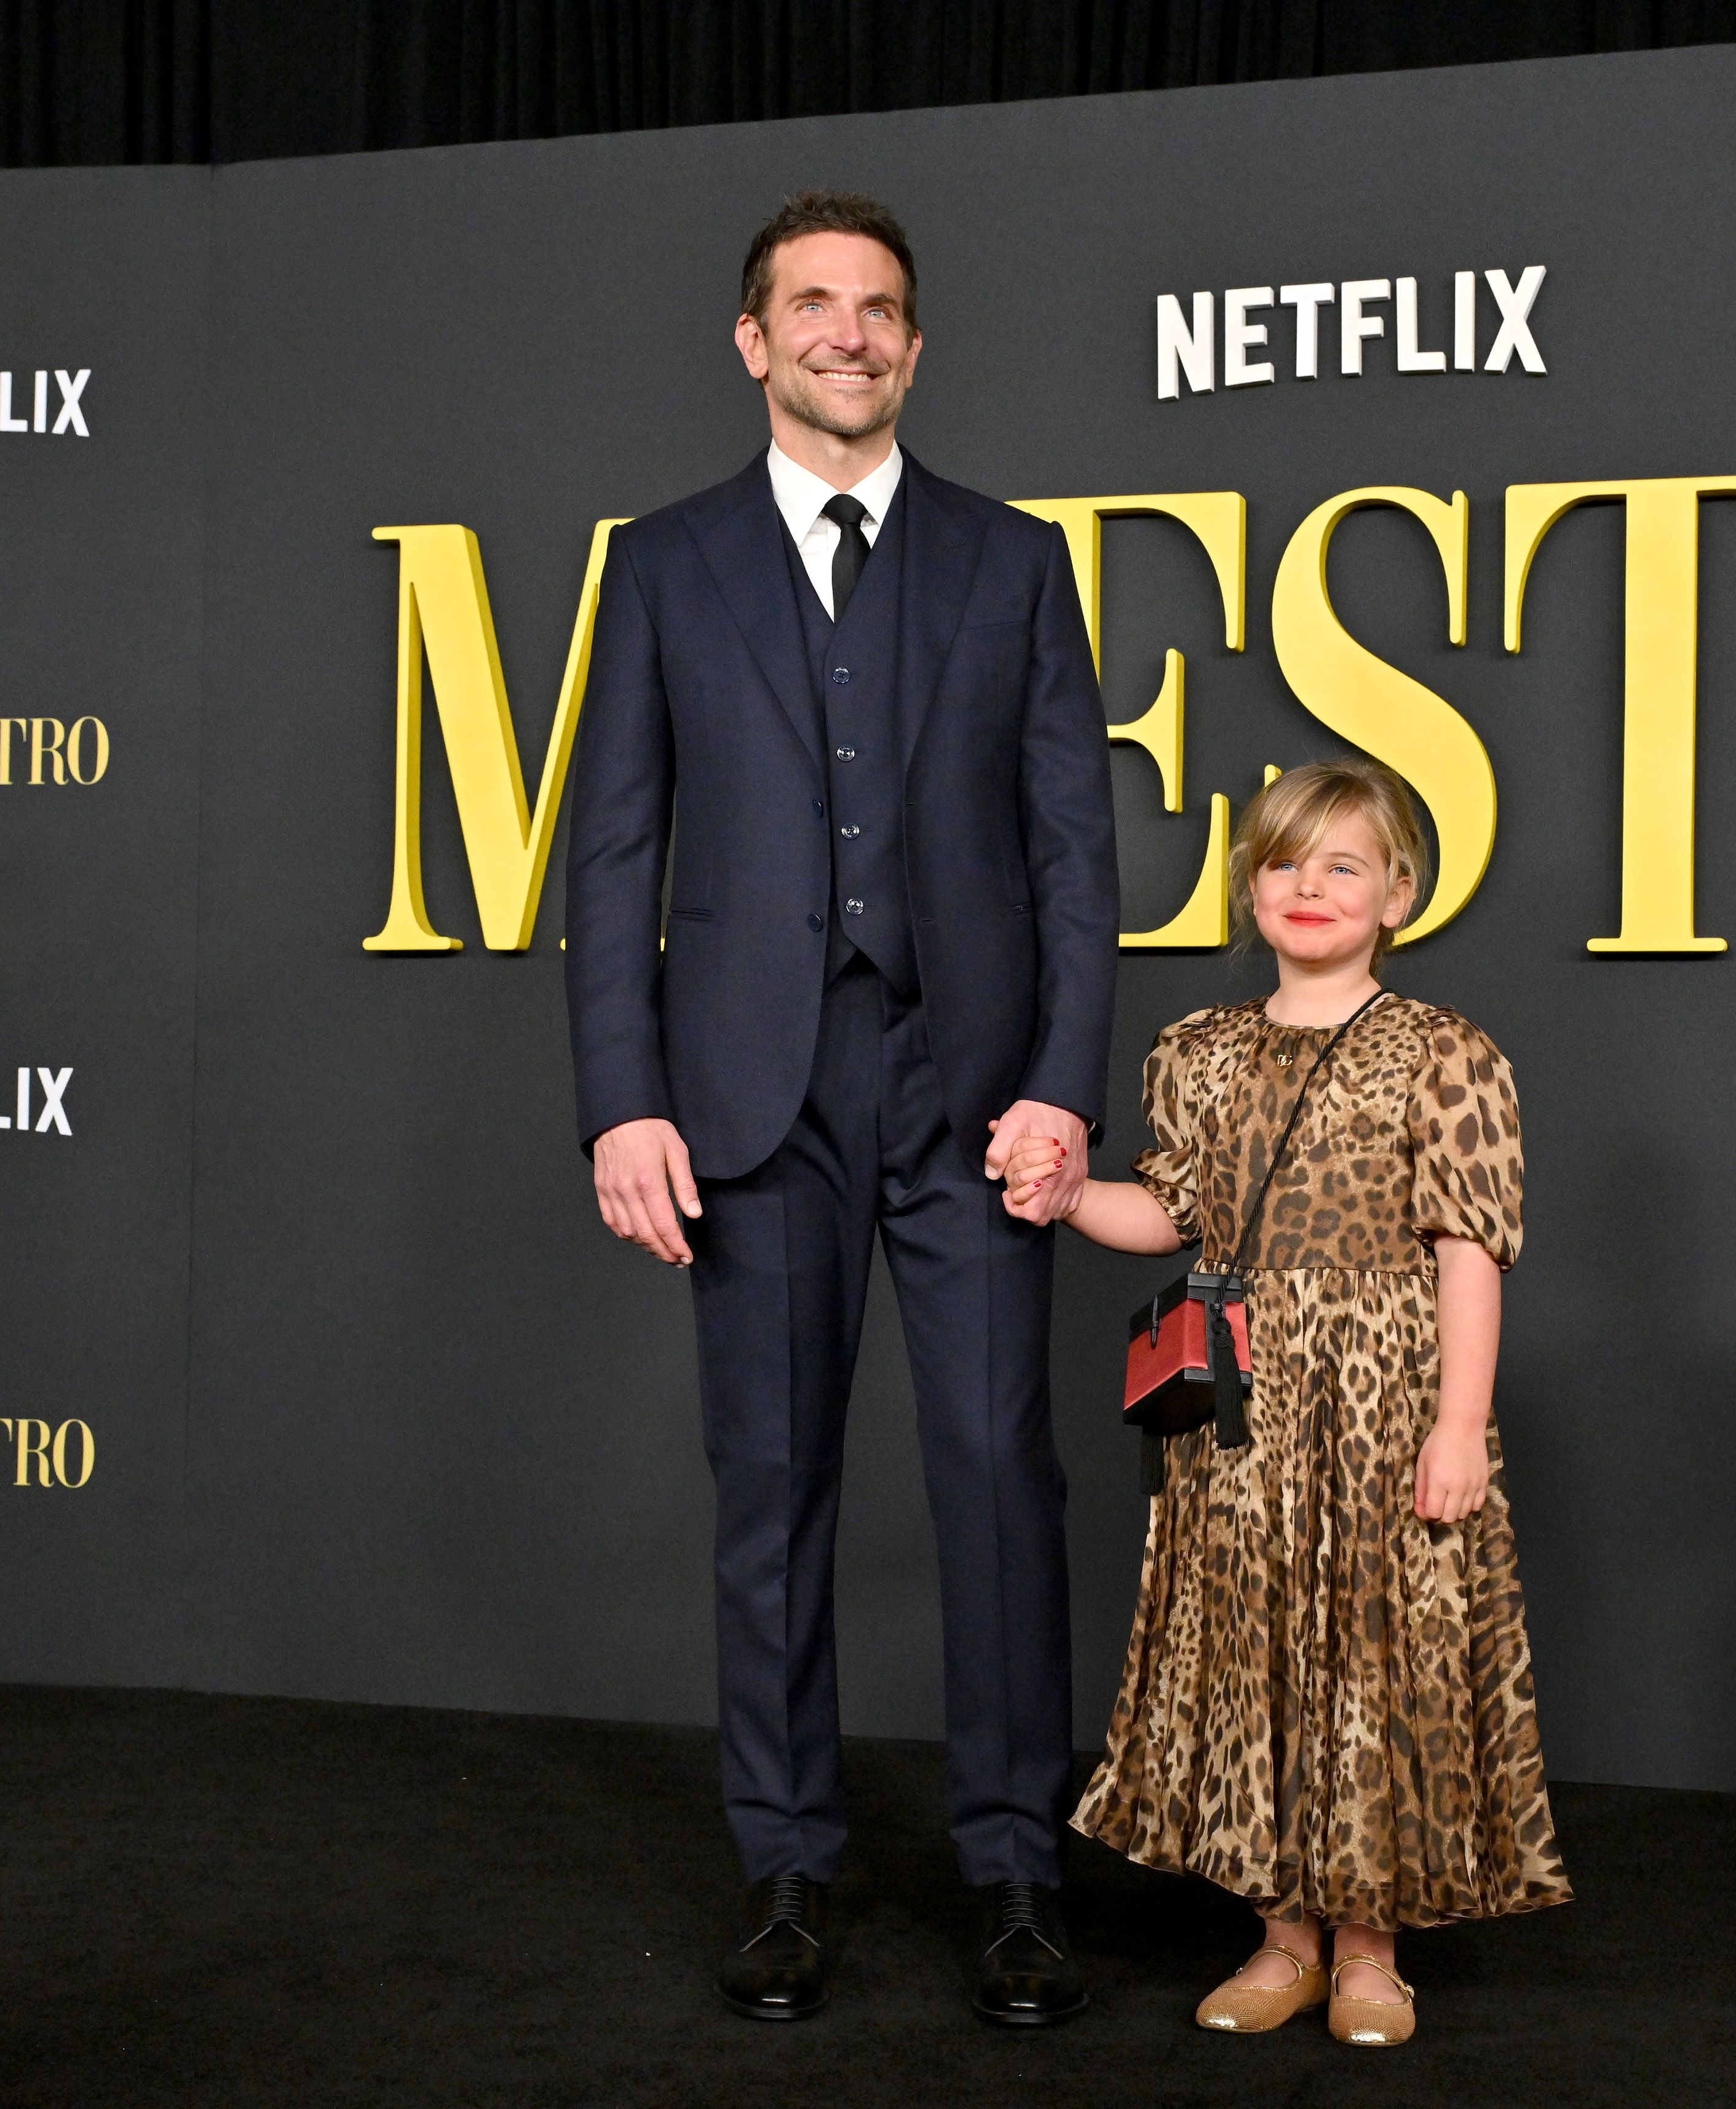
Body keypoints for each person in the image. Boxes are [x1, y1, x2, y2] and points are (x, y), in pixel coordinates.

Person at [561, 190, 1117, 2026]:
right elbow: (614, 847)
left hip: (967, 1091)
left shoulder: (1014, 559)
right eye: (813, 304)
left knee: (998, 1480)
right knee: (773, 1490)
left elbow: (1072, 857)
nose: (849, 334)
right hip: (747, 1092)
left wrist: (1060, 1086)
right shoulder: (659, 562)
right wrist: (619, 1098)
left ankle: (1018, 1866)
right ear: (753, 339)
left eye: (880, 308)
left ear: (916, 345)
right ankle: (789, 1861)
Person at [1001, 758, 1571, 2047]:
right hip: (1242, 1413)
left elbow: (1468, 1247)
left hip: (1386, 1407)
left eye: (1344, 864)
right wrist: (1067, 1196)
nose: (1309, 887)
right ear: (1249, 885)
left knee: (1378, 1657)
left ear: (1400, 892)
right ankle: (1283, 1935)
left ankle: (1372, 1948)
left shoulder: (1445, 1053)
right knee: (1255, 1653)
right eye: (1283, 862)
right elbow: (1176, 1214)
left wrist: (1459, 1423)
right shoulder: (1196, 1052)